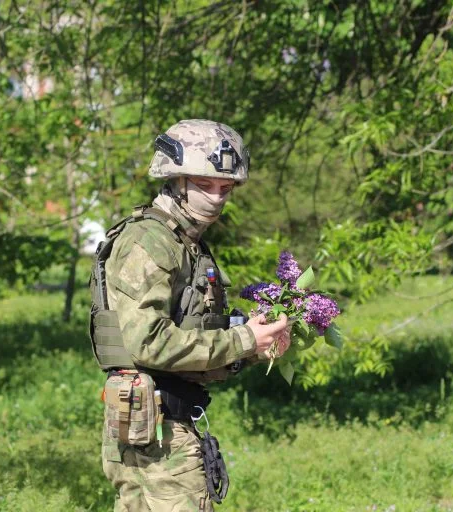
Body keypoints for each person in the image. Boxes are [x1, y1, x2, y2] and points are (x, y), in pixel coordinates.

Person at [89, 119, 290, 511]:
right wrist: (244, 339)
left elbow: (190, 333)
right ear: (174, 179)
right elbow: (146, 342)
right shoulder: (151, 241)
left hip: (161, 426)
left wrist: (252, 345)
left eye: (225, 188)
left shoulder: (185, 242)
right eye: (203, 184)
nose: (216, 198)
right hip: (157, 436)